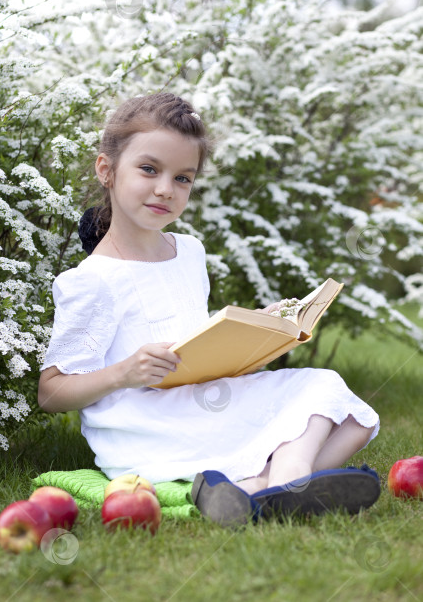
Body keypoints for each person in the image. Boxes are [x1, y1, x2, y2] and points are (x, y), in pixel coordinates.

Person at [38, 92, 381, 527]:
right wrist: (124, 372)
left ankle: (263, 490)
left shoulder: (189, 252)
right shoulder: (91, 280)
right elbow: (51, 392)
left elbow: (193, 342)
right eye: (149, 169)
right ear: (107, 170)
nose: (166, 188)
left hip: (203, 400)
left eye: (183, 178)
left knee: (347, 410)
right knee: (324, 406)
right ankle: (285, 485)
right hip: (148, 427)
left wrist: (259, 329)